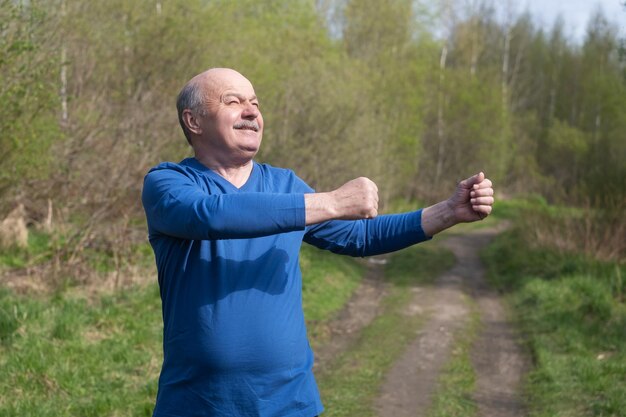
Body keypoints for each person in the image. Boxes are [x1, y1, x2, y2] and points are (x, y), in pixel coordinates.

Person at [141, 68, 494, 417]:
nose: (251, 112)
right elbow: (212, 215)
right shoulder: (168, 183)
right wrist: (334, 202)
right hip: (197, 405)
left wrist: (449, 212)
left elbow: (361, 236)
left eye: (256, 103)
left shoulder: (285, 185)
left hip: (289, 403)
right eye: (234, 101)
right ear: (194, 121)